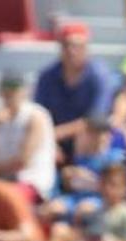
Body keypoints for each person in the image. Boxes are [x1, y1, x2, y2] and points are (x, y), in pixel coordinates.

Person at [33, 22, 117, 162]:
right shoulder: (47, 77)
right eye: (67, 45)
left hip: (87, 141)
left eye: (77, 46)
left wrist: (53, 135)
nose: (71, 51)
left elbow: (94, 119)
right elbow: (38, 114)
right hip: (54, 142)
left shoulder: (98, 75)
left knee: (95, 134)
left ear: (86, 49)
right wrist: (51, 142)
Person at [0, 69, 56, 204]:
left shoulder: (35, 117)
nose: (9, 93)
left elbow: (23, 161)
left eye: (14, 87)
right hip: (4, 179)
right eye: (5, 88)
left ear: (24, 90)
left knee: (4, 197)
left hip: (32, 181)